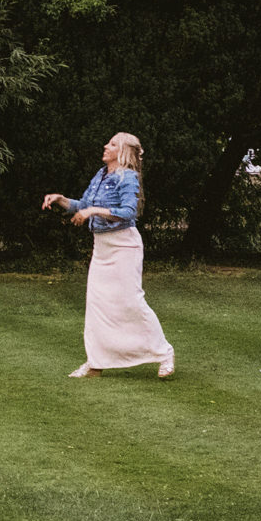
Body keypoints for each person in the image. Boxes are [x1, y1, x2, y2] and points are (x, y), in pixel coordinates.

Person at [42, 131, 174, 379]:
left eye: (112, 144)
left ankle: (164, 353)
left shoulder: (128, 177)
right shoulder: (101, 175)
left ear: (122, 151)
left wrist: (93, 210)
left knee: (131, 301)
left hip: (124, 246)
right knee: (97, 304)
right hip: (101, 247)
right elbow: (83, 205)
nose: (105, 146)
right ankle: (96, 362)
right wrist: (60, 199)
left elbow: (128, 213)